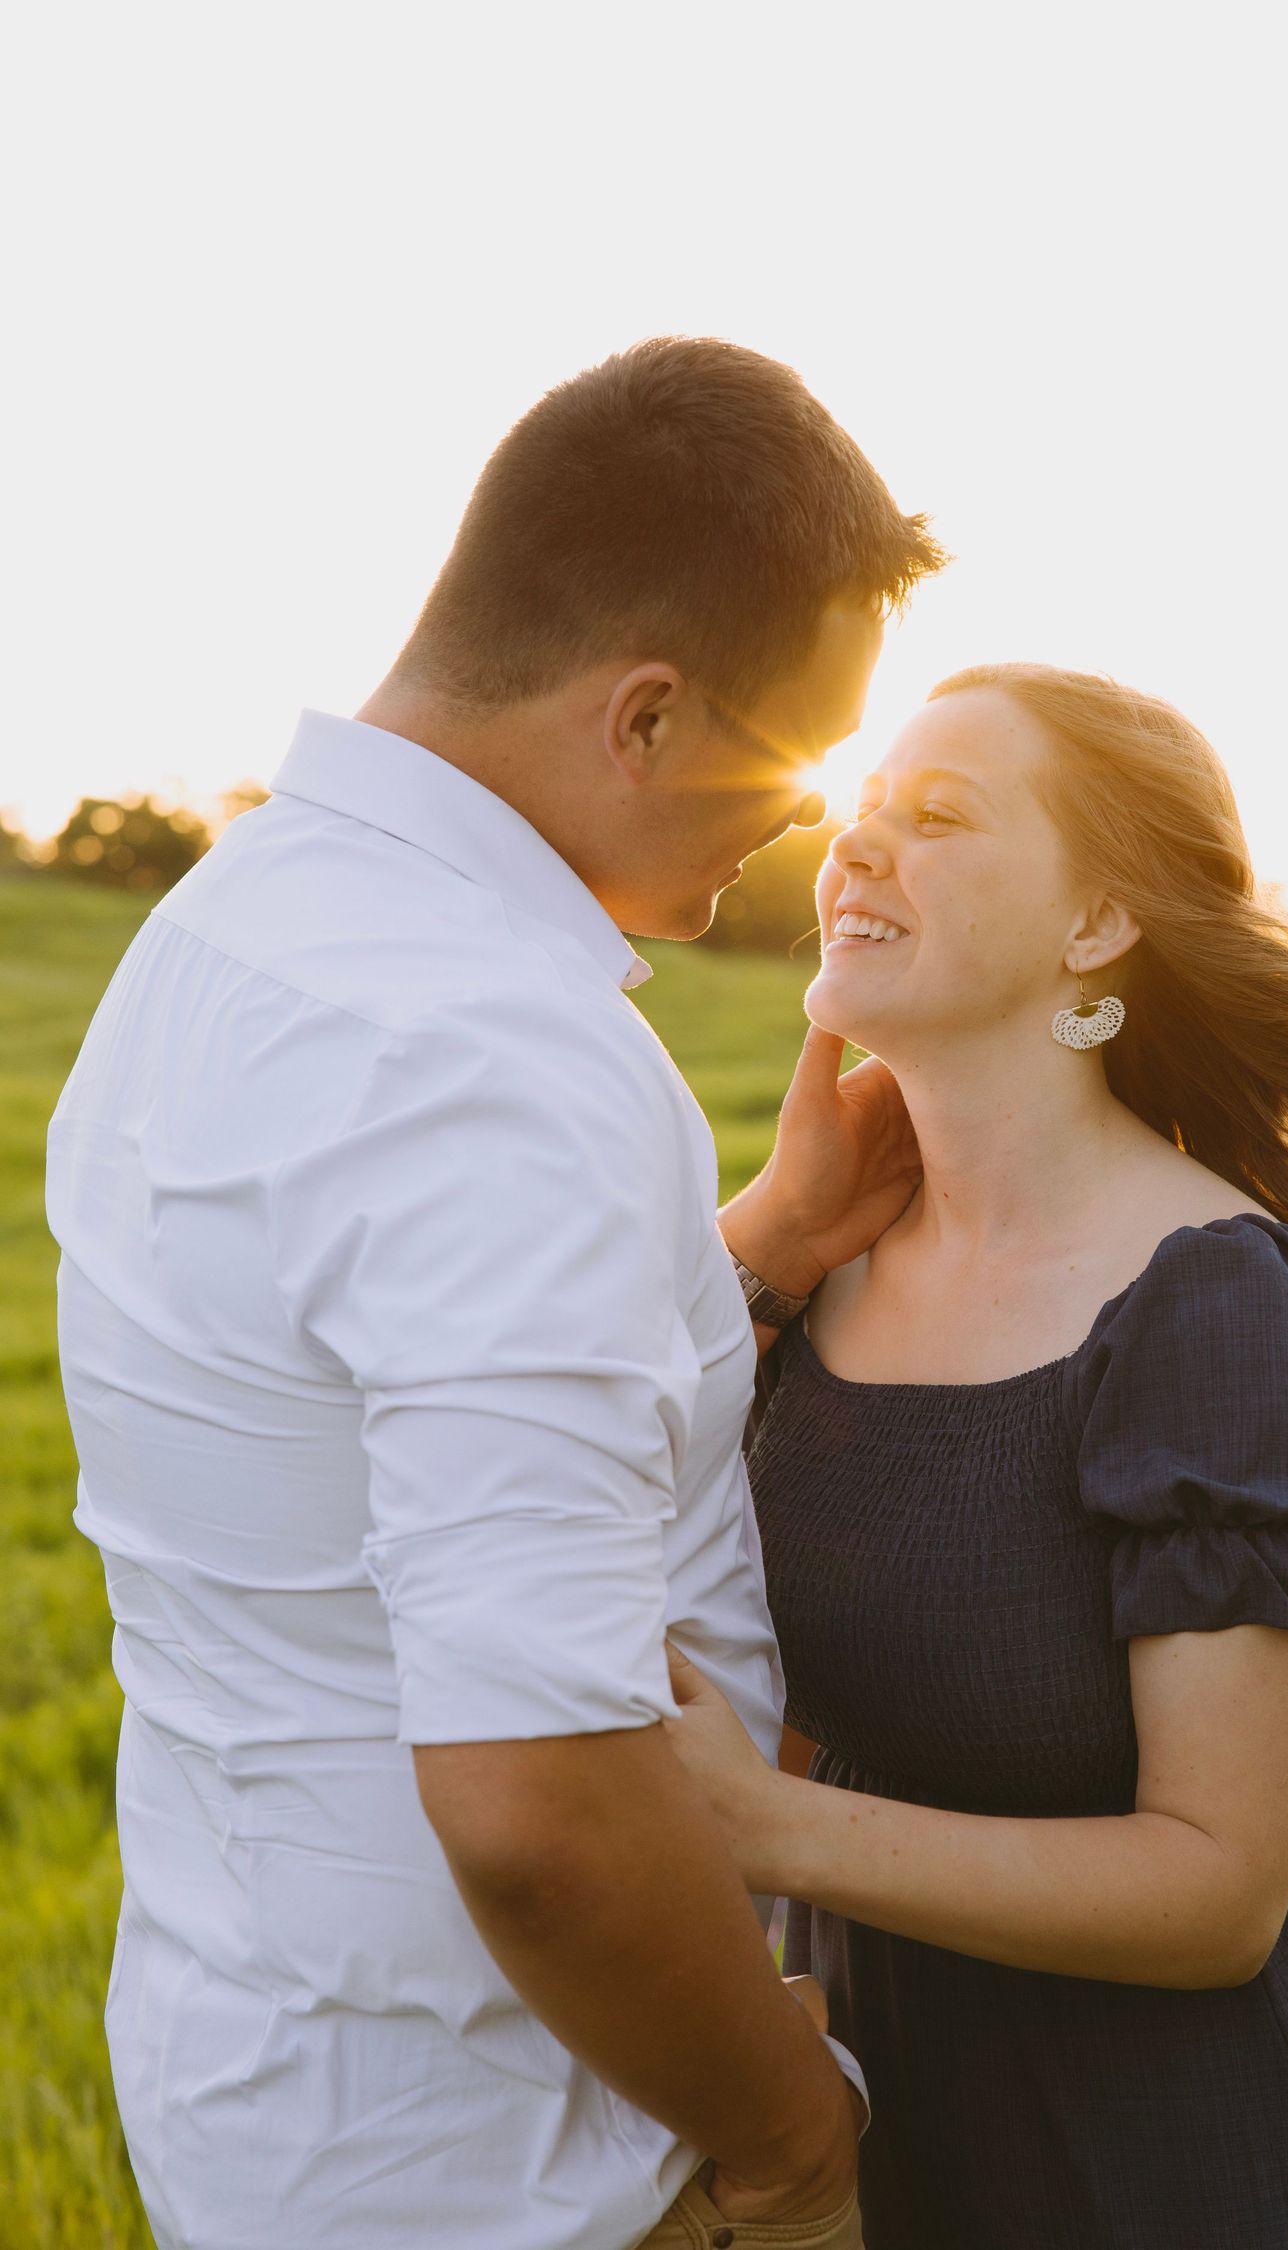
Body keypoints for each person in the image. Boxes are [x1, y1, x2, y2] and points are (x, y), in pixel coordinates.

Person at [45, 337, 941, 2250]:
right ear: (643, 718)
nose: (800, 829)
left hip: (275, 2088)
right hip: (529, 2165)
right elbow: (540, 1803)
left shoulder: (224, 933)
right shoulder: (495, 1053)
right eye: (785, 770)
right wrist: (792, 2145)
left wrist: (764, 1244)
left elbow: (374, 1408)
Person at [662, 662, 1288, 2248]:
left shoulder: (1220, 1306)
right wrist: (764, 1243)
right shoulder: (822, 1254)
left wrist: (773, 1830)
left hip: (1210, 2145)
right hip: (909, 2107)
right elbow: (578, 1449)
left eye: (941, 816)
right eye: (861, 812)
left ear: (1097, 925)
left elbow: (1218, 1893)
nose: (858, 849)